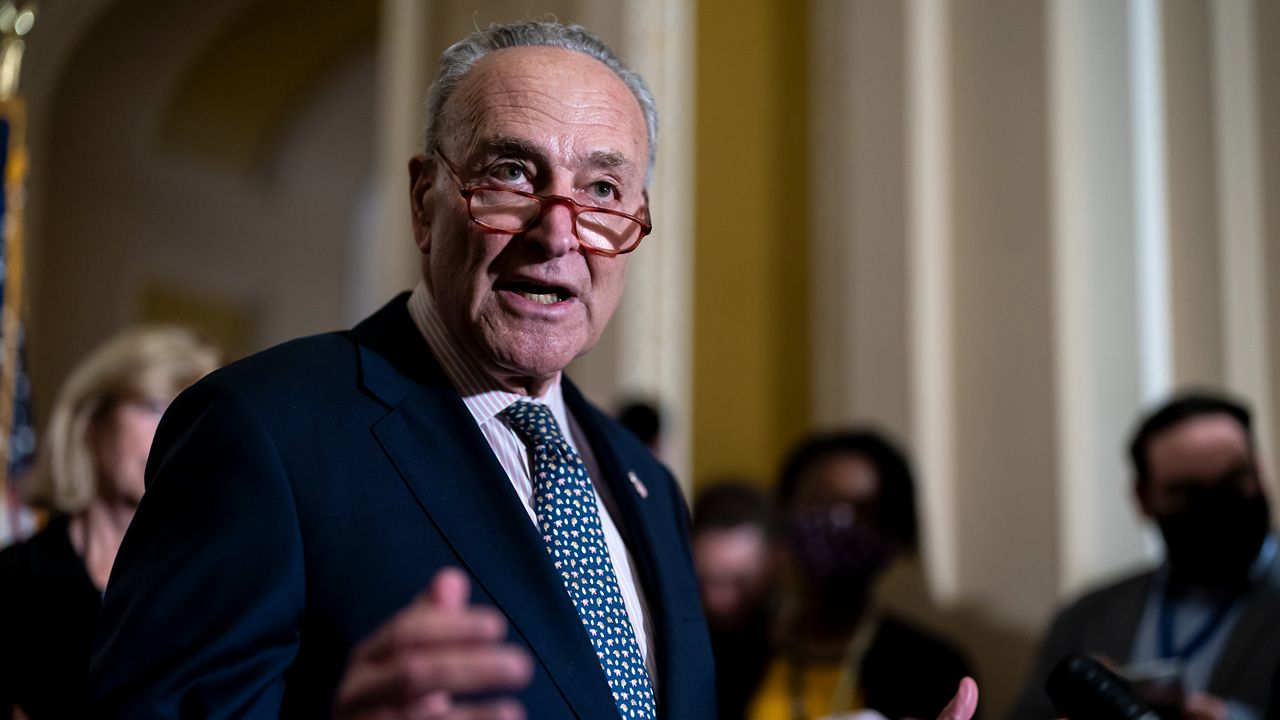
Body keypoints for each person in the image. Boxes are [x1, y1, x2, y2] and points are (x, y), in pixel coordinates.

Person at [88, 20, 981, 720]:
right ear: (423, 201)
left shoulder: (647, 485)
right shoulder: (265, 432)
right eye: (512, 175)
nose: (560, 234)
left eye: (601, 191)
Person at [1009, 392, 1280, 720]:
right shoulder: (1086, 618)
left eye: (1234, 481)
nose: (1216, 507)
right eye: (1186, 493)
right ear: (1143, 498)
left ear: (1260, 470)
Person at [0, 326, 219, 719]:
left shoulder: (212, 584)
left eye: (190, 416)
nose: (175, 432)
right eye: (156, 407)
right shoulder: (13, 579)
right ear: (93, 419)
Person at [749, 431, 975, 720]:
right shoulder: (730, 653)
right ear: (786, 512)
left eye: (861, 509)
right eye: (820, 502)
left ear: (895, 531)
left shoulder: (932, 667)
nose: (839, 521)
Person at [692, 481, 778, 720]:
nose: (719, 600)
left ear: (774, 563)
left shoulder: (793, 641)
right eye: (705, 580)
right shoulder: (677, 644)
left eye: (741, 582)